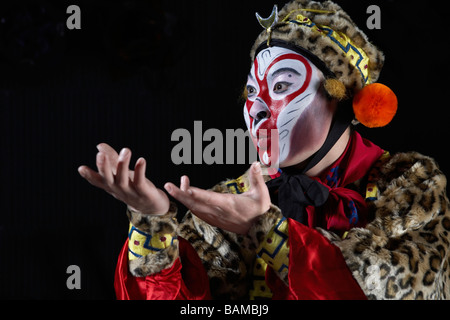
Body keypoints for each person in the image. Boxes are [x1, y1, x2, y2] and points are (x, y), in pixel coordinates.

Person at [78, 0, 450, 300]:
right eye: (252, 92)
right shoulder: (232, 200)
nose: (257, 106)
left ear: (342, 98)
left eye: (282, 83)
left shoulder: (410, 185)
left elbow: (395, 288)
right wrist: (152, 221)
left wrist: (269, 232)